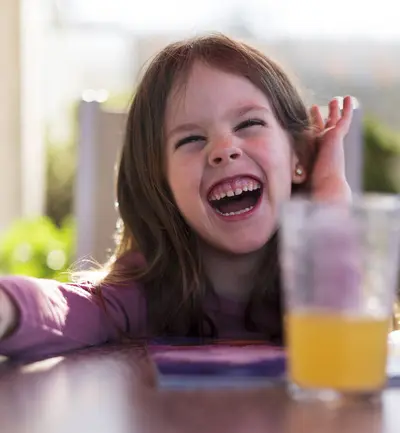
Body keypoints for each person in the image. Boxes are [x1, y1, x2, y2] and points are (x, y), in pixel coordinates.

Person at [0, 33, 353, 362]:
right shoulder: (144, 295)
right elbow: (64, 309)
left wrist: (330, 208)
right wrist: (7, 307)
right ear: (161, 184)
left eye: (248, 124)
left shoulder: (322, 271)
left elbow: (348, 338)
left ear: (299, 158)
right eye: (190, 140)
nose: (224, 149)